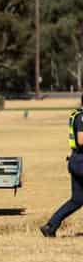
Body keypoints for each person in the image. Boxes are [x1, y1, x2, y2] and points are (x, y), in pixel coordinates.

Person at [40, 95, 83, 237]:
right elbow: (81, 140)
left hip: (75, 160)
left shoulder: (77, 114)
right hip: (81, 161)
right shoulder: (82, 117)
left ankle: (50, 226)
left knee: (77, 200)